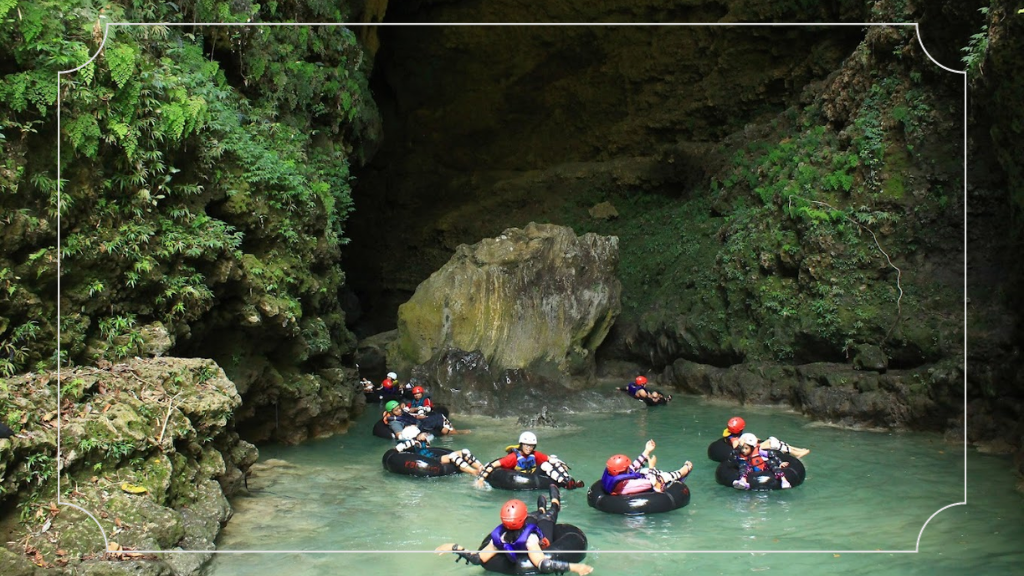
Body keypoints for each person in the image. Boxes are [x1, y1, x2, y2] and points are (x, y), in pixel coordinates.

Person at [436, 486, 594, 575]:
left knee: (545, 516)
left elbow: (478, 559)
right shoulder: (528, 539)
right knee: (548, 517)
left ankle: (551, 501)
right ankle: (546, 506)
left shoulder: (499, 537)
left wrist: (454, 547)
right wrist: (575, 567)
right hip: (536, 535)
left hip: (539, 537)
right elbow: (542, 563)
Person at [477, 432, 585, 489]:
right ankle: (565, 483)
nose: (529, 448)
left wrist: (562, 465)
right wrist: (481, 479)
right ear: (521, 445)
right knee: (546, 465)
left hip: (533, 474)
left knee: (550, 462)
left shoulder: (535, 455)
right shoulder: (512, 458)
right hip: (518, 476)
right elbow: (493, 465)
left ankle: (568, 482)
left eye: (531, 446)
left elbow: (550, 459)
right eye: (526, 445)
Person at [601, 440, 693, 495]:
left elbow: (633, 467)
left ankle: (657, 472)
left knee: (644, 471)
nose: (630, 467)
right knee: (663, 476)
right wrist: (651, 467)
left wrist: (647, 451)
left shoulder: (615, 477)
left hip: (637, 482)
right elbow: (654, 484)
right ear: (623, 471)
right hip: (653, 486)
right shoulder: (630, 485)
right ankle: (683, 471)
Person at [395, 426, 482, 476]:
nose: (423, 435)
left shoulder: (422, 441)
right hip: (431, 461)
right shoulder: (412, 444)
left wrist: (424, 440)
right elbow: (399, 448)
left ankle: (480, 467)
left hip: (434, 457)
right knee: (452, 456)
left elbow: (428, 445)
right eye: (420, 434)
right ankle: (473, 472)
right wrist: (411, 442)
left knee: (464, 451)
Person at [721, 416, 810, 458]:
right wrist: (744, 443)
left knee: (773, 440)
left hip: (751, 447)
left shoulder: (730, 433)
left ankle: (796, 450)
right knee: (772, 441)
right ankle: (795, 453)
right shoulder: (733, 439)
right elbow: (737, 447)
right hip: (750, 450)